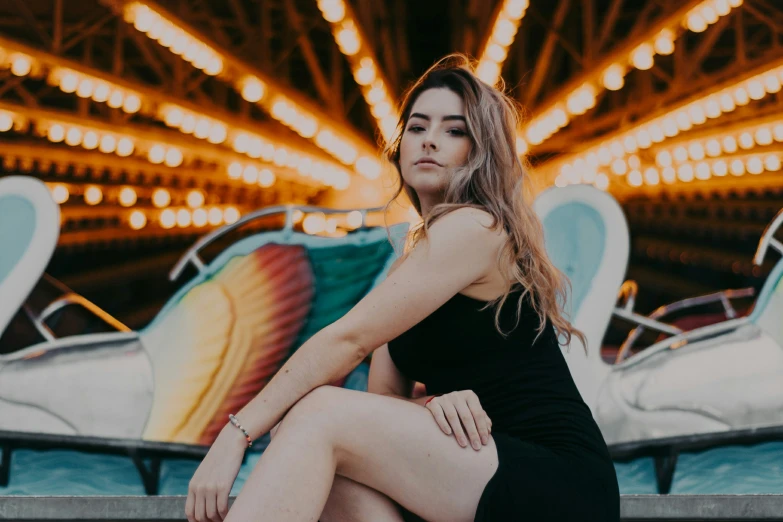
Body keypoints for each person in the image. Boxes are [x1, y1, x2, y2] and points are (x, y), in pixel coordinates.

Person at [185, 54, 620, 522]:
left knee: (317, 411)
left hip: (553, 478)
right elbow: (381, 407)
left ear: (480, 151)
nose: (430, 139)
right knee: (322, 455)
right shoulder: (407, 272)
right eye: (417, 127)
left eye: (455, 131)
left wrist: (237, 433)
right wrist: (431, 403)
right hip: (476, 471)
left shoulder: (476, 227)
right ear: (400, 146)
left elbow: (348, 341)